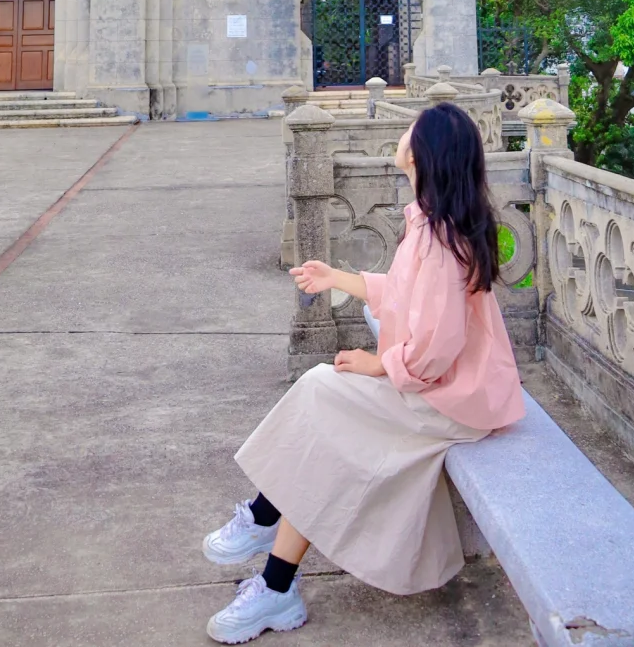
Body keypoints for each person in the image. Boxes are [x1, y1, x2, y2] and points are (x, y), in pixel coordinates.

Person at [201, 101, 525, 643]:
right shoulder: (431, 221)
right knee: (322, 428)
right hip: (440, 389)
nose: (402, 135)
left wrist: (381, 364)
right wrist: (337, 277)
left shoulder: (442, 240)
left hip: (453, 401)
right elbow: (401, 293)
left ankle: (265, 528)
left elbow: (438, 345)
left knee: (320, 394)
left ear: (422, 154)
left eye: (410, 130)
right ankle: (274, 580)